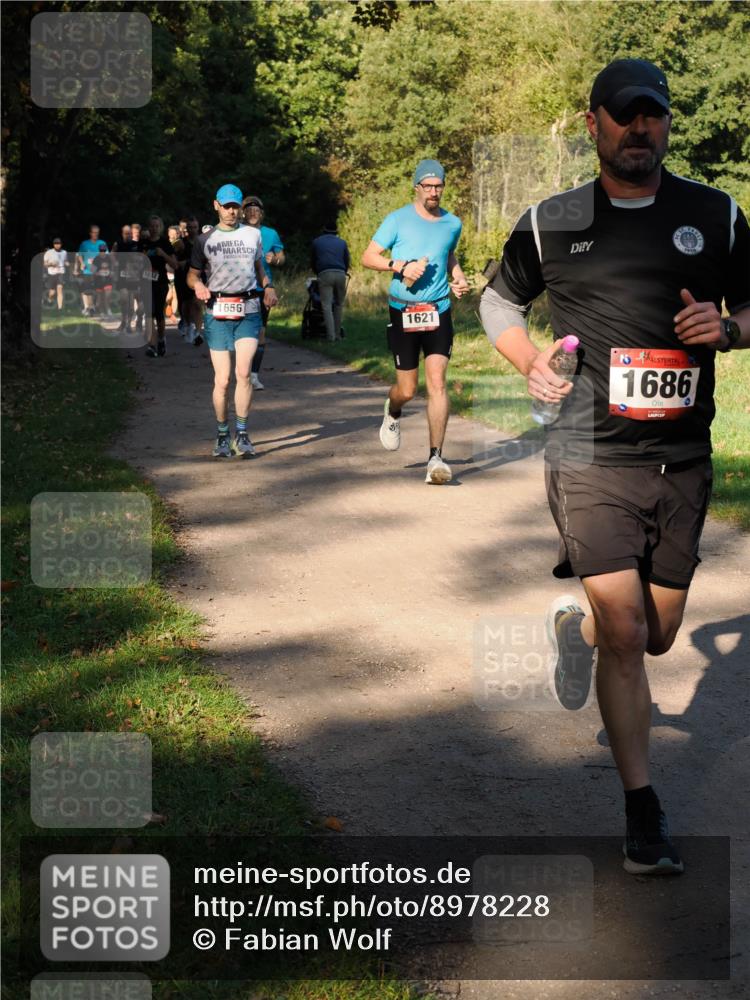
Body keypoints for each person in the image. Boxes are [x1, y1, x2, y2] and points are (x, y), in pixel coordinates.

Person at [479, 58, 750, 875]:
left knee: (655, 636)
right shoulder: (552, 219)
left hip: (681, 458)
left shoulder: (715, 214)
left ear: (666, 123)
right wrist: (527, 358)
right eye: (625, 114)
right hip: (587, 450)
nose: (641, 128)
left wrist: (730, 329)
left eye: (653, 114)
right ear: (593, 121)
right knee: (630, 633)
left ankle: (580, 631)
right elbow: (498, 299)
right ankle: (643, 814)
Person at [362, 158, 469, 484]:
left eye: (439, 186)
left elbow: (447, 254)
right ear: (417, 187)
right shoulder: (397, 220)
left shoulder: (452, 223)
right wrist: (400, 266)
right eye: (428, 186)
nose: (434, 192)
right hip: (403, 310)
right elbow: (368, 256)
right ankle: (393, 410)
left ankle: (436, 458)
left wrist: (458, 277)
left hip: (438, 309)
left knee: (437, 383)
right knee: (407, 390)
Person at [188, 184, 277, 458]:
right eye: (226, 206)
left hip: (248, 310)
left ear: (241, 208)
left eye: (235, 207)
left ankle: (242, 433)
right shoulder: (204, 240)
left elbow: (260, 267)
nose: (231, 211)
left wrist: (268, 287)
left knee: (244, 373)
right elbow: (192, 274)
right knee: (223, 379)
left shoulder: (253, 235)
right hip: (217, 311)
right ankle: (222, 434)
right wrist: (198, 285)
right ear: (216, 205)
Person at [241, 195, 285, 389]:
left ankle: (253, 375)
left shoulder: (270, 233)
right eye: (249, 210)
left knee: (260, 333)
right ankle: (241, 372)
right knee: (241, 334)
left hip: (262, 289)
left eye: (256, 211)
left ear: (262, 214)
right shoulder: (236, 232)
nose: (252, 213)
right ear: (243, 213)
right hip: (240, 289)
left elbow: (282, 257)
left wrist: (275, 259)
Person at [140, 215, 178, 357]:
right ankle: (151, 345)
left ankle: (161, 339)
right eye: (152, 226)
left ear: (160, 228)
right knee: (149, 313)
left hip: (160, 282)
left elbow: (174, 265)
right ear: (148, 228)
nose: (154, 228)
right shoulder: (143, 243)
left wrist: (163, 254)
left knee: (158, 314)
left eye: (157, 226)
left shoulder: (164, 243)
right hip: (145, 282)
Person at [311, 222, 350, 342]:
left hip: (324, 274)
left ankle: (330, 336)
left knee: (326, 306)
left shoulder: (316, 242)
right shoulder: (342, 242)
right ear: (336, 231)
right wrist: (344, 271)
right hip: (340, 274)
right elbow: (347, 260)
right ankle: (338, 335)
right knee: (339, 304)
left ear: (324, 230)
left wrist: (317, 272)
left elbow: (313, 260)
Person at [173, 216, 203, 346]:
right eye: (190, 227)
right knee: (185, 304)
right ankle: (187, 323)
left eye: (195, 227)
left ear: (198, 227)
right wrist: (182, 262)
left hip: (199, 277)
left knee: (197, 303)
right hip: (182, 277)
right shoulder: (179, 243)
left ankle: (197, 332)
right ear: (186, 229)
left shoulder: (202, 241)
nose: (192, 230)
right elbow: (173, 262)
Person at [111, 224, 141, 333]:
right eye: (126, 233)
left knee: (130, 302)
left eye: (129, 233)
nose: (128, 235)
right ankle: (124, 321)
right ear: (122, 233)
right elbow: (112, 255)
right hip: (122, 276)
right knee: (124, 299)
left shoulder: (135, 245)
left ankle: (128, 324)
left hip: (133, 276)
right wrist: (115, 264)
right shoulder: (117, 244)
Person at [76, 225, 107, 317]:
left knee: (97, 291)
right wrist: (82, 263)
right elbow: (79, 254)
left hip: (98, 272)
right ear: (90, 233)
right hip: (87, 270)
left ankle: (93, 307)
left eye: (97, 233)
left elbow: (106, 255)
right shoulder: (84, 244)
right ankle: (89, 307)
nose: (95, 234)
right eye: (94, 232)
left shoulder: (102, 243)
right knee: (88, 289)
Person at [43, 237, 68, 311]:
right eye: (56, 244)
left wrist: (67, 263)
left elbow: (65, 261)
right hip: (52, 273)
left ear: (61, 244)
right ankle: (49, 299)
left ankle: (60, 308)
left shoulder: (64, 252)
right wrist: (51, 264)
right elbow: (45, 264)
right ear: (53, 244)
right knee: (52, 292)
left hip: (61, 273)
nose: (57, 245)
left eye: (59, 244)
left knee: (60, 289)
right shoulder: (49, 253)